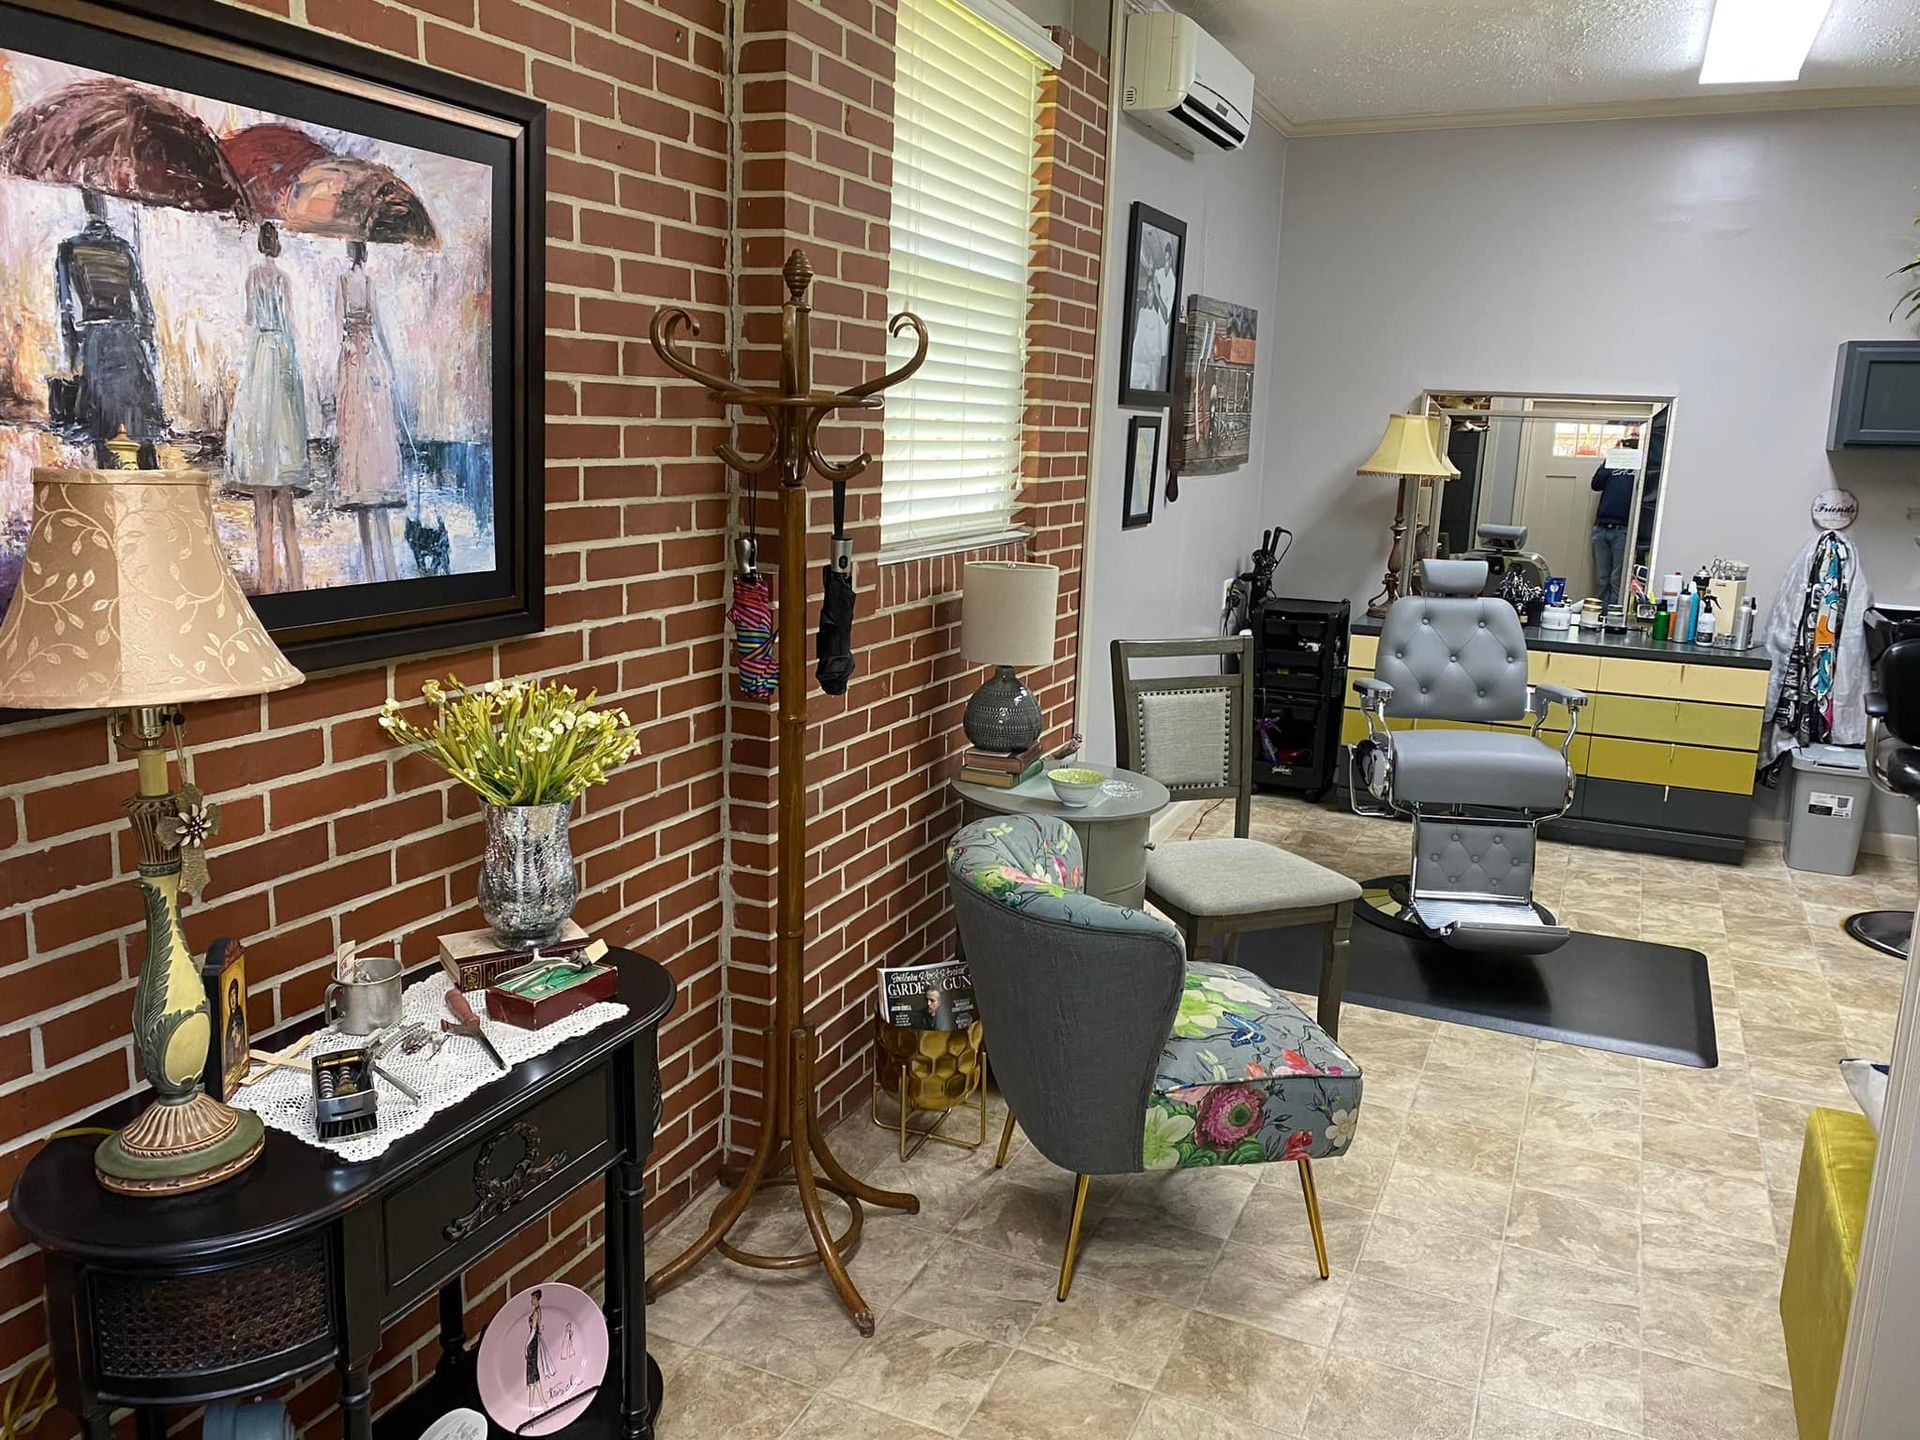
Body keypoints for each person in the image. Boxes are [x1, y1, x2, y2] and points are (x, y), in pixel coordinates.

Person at [226, 222, 310, 592]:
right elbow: (290, 322)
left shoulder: (252, 277)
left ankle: (266, 585)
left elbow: (248, 317)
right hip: (279, 352)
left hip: (260, 355)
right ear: (277, 247)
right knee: (283, 465)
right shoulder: (283, 280)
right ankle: (296, 582)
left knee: (260, 446)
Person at [55, 190, 165, 466]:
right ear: (104, 208)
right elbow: (144, 303)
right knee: (137, 422)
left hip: (97, 340)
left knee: (104, 425)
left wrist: (71, 352)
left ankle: (112, 485)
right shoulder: (123, 248)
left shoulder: (69, 249)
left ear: (85, 206)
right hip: (128, 340)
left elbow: (66, 306)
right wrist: (147, 342)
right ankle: (149, 484)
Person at [333, 239, 406, 583]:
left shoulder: (343, 282)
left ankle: (372, 570)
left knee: (356, 433)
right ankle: (387, 570)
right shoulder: (369, 283)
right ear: (366, 254)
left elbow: (338, 326)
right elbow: (380, 328)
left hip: (351, 359)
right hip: (370, 357)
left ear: (350, 254)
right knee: (374, 433)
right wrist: (388, 364)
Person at [1588, 431, 1642, 609]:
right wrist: (1612, 456)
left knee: (1617, 579)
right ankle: (1598, 617)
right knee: (1602, 579)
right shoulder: (1613, 461)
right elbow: (1596, 484)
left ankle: (1613, 618)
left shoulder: (1641, 464)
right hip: (1602, 527)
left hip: (1624, 529)